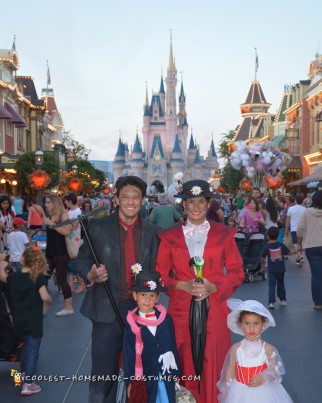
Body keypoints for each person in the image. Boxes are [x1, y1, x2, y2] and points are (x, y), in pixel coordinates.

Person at [156, 179, 244, 403]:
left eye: (201, 202)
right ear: (183, 205)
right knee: (183, 358)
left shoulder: (224, 234)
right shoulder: (169, 236)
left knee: (213, 359)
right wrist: (181, 285)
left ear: (209, 204)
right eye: (190, 202)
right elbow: (160, 275)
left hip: (215, 308)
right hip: (180, 310)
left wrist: (215, 286)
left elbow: (236, 272)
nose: (195, 207)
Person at [78, 175, 159, 403]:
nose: (130, 202)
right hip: (106, 310)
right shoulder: (97, 227)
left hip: (142, 311)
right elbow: (82, 260)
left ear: (143, 200)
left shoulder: (154, 232)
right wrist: (91, 273)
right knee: (104, 375)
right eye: (125, 197)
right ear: (116, 199)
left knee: (143, 372)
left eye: (136, 197)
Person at [217, 299, 293, 402]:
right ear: (240, 324)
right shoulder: (236, 348)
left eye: (256, 323)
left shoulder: (268, 348)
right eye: (247, 323)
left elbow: (276, 370)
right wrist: (228, 391)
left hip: (264, 392)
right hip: (239, 392)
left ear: (263, 324)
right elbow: (230, 370)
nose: (251, 328)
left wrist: (263, 378)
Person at [0, 245, 52, 396]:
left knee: (22, 349)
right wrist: (49, 301)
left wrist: (2, 262)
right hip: (33, 321)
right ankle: (28, 384)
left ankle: (22, 376)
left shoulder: (13, 278)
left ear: (22, 260)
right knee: (32, 351)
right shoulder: (38, 278)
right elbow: (44, 297)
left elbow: (3, 276)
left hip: (18, 321)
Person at [123, 270, 180, 402]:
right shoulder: (132, 324)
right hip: (145, 377)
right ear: (135, 296)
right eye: (143, 295)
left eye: (152, 296)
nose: (147, 300)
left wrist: (176, 372)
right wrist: (130, 381)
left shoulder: (166, 320)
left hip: (165, 374)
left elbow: (172, 346)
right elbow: (129, 355)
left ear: (158, 298)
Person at [42, 195, 73, 316]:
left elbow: (67, 231)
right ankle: (45, 304)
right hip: (50, 252)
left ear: (55, 203)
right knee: (42, 278)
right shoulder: (50, 216)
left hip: (61, 253)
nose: (46, 204)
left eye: (48, 202)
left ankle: (68, 307)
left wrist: (51, 223)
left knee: (62, 280)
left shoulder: (63, 215)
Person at [297, 190, 322, 310]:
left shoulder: (307, 212)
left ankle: (318, 302)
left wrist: (299, 244)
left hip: (312, 246)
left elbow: (300, 229)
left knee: (316, 275)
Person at [261, 226, 289, 309]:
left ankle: (271, 302)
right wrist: (296, 251)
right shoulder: (281, 245)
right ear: (277, 235)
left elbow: (262, 257)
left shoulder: (267, 246)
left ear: (267, 236)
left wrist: (262, 263)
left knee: (271, 285)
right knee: (281, 283)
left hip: (271, 270)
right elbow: (288, 252)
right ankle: (283, 300)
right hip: (281, 269)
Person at [64, 193, 85, 294]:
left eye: (65, 201)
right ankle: (71, 285)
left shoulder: (77, 211)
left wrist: (62, 227)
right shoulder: (70, 211)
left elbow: (74, 226)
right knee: (69, 264)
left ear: (69, 201)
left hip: (74, 240)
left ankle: (81, 284)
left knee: (74, 264)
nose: (64, 202)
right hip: (69, 239)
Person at [285, 194, 305, 266]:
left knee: (296, 244)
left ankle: (301, 256)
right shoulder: (304, 209)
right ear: (302, 201)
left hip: (293, 228)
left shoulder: (291, 209)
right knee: (300, 244)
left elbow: (287, 220)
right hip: (302, 229)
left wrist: (286, 229)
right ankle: (298, 259)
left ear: (295, 201)